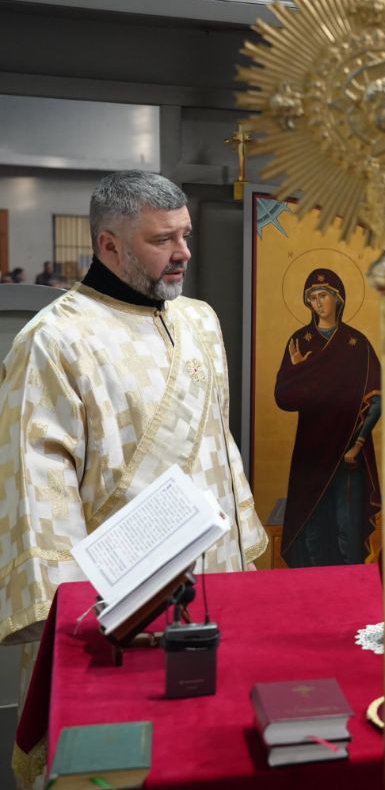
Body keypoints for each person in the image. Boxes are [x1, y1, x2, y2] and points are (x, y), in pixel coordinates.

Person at [0, 171, 267, 784]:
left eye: (185, 235)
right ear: (109, 246)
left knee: (215, 746)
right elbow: (38, 490)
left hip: (212, 580)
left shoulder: (200, 321)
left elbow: (217, 448)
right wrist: (74, 623)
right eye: (161, 240)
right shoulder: (55, 340)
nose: (183, 254)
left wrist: (243, 562)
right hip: (115, 602)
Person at [274, 267, 382, 566]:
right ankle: (311, 590)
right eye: (311, 298)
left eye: (323, 295)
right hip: (311, 452)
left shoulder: (356, 345)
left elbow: (377, 400)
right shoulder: (301, 340)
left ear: (338, 298)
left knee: (347, 528)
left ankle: (350, 591)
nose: (317, 303)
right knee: (310, 529)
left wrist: (358, 444)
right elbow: (284, 399)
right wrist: (298, 371)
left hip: (348, 453)